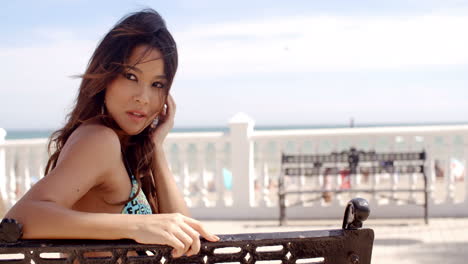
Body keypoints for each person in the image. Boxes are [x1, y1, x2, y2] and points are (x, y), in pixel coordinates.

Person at [4, 9, 219, 258]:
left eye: (157, 84)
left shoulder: (123, 146)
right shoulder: (99, 139)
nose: (143, 97)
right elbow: (19, 219)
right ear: (106, 76)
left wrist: (156, 147)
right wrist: (138, 225)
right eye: (131, 76)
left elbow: (188, 246)